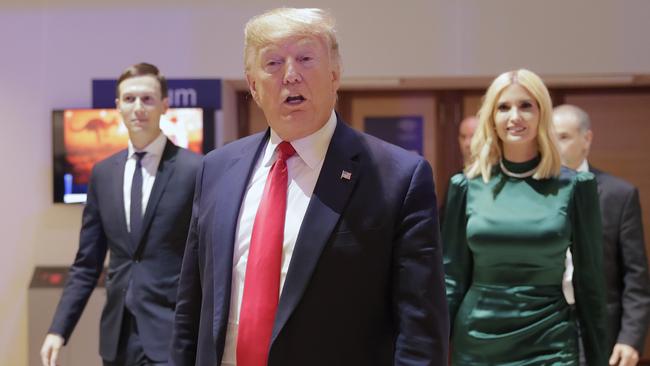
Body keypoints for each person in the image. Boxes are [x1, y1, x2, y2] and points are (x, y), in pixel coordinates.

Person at [169, 7, 448, 366]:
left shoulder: (398, 178)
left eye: (305, 58)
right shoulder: (216, 169)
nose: (290, 75)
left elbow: (421, 330)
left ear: (334, 74)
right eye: (272, 63)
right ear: (253, 85)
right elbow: (191, 306)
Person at [40, 63, 202, 366]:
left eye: (147, 99)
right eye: (129, 99)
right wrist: (58, 329)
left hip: (172, 336)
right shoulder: (102, 174)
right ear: (117, 106)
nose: (138, 108)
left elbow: (208, 259)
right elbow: (87, 264)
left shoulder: (195, 170)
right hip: (117, 339)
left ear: (165, 105)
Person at [442, 69, 608, 365]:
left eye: (526, 106)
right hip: (479, 342)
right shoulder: (465, 186)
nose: (514, 116)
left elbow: (590, 283)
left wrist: (598, 357)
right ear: (491, 117)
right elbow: (451, 279)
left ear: (542, 114)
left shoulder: (575, 186)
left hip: (550, 340)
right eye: (503, 107)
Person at [553, 104, 650, 366]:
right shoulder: (535, 194)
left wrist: (630, 338)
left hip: (599, 328)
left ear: (587, 139)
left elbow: (636, 276)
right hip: (546, 325)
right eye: (549, 137)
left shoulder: (619, 194)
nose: (554, 145)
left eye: (563, 137)